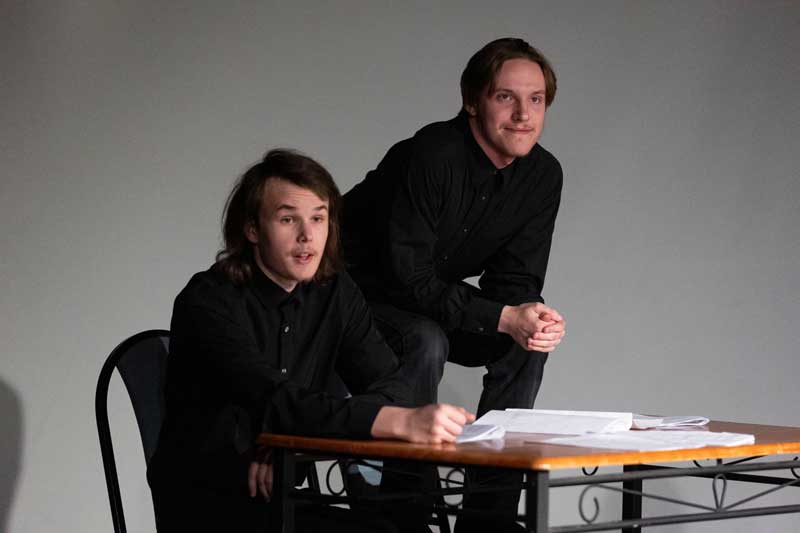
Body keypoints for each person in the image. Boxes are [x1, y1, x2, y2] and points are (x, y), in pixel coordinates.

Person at [147, 149, 474, 533]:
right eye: (288, 219)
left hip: (283, 500)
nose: (307, 236)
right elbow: (272, 398)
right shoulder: (207, 301)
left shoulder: (334, 290)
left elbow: (391, 384)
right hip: (207, 505)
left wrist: (286, 438)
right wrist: (394, 421)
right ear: (252, 228)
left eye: (318, 218)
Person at [342, 38, 566, 531]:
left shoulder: (543, 174)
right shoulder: (433, 153)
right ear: (472, 101)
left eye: (536, 100)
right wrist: (503, 315)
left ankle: (488, 515)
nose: (523, 115)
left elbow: (516, 278)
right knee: (425, 338)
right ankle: (406, 511)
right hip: (346, 296)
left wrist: (529, 315)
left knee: (526, 341)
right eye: (505, 97)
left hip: (420, 294)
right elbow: (407, 277)